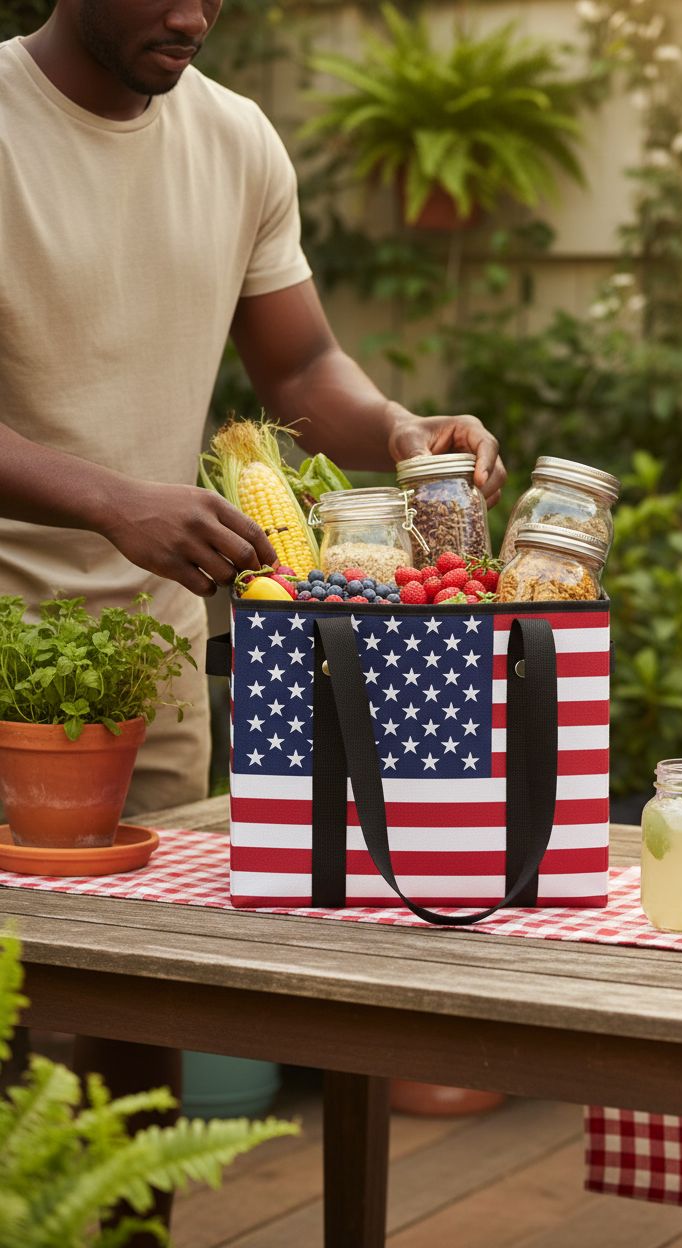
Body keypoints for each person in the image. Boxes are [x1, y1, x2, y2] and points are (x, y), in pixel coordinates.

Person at [0, 0, 505, 1240]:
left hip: (153, 656)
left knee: (140, 1033)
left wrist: (394, 428)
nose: (195, 13)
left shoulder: (234, 140)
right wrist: (113, 499)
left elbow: (297, 370)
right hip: (8, 643)